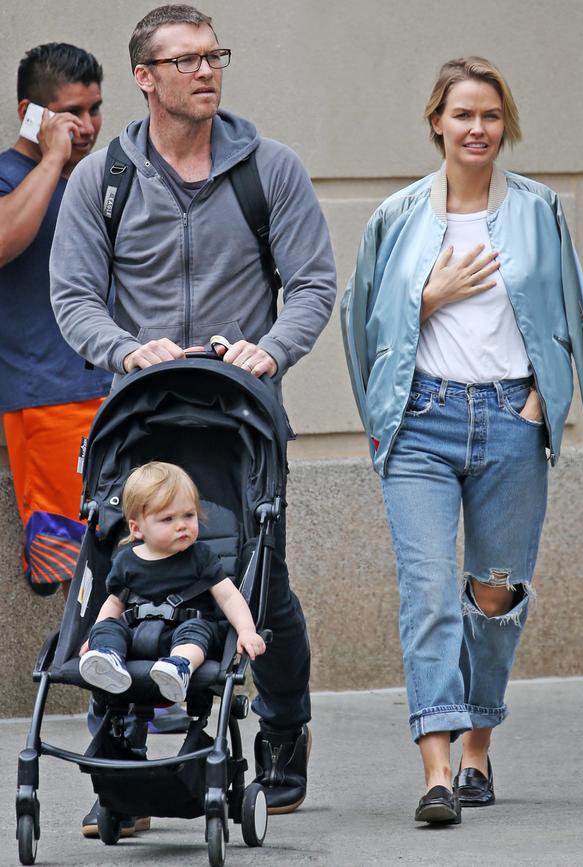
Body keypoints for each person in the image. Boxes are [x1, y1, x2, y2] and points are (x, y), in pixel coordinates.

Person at [341, 56, 583, 826]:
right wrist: (424, 299)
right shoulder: (398, 217)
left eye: (489, 115)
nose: (476, 128)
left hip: (513, 421)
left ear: (504, 124)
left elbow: (576, 317)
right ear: (436, 123)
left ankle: (477, 743)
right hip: (422, 423)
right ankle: (437, 770)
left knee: (493, 595)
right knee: (429, 595)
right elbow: (364, 328)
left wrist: (550, 406)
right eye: (462, 114)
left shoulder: (540, 210)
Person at [50, 4, 336, 820]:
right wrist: (125, 348)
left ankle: (282, 729)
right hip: (140, 422)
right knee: (120, 581)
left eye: (214, 56)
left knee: (259, 585)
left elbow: (312, 284)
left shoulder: (267, 167)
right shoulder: (99, 180)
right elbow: (73, 298)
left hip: (240, 420)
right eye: (186, 60)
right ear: (145, 77)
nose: (206, 70)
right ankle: (124, 771)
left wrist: (270, 348)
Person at [0, 43, 112, 597]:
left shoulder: (92, 180)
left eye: (95, 109)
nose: (89, 126)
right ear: (33, 113)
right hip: (49, 400)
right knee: (77, 568)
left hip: (115, 388)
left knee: (131, 553)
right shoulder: (9, 177)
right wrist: (49, 159)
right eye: (74, 112)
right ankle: (98, 680)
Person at [79, 461, 266, 701]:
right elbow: (114, 604)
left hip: (182, 633)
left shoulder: (201, 557)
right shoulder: (126, 561)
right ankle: (108, 657)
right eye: (167, 519)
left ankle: (179, 667)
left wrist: (247, 630)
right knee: (108, 627)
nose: (182, 526)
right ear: (137, 529)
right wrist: (96, 636)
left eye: (189, 515)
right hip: (135, 633)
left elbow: (229, 596)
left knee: (197, 630)